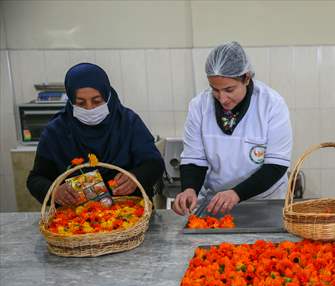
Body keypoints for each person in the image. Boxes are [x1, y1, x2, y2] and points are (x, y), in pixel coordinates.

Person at [172, 41, 292, 216]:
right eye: (215, 89)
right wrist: (190, 189)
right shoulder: (199, 106)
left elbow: (276, 165)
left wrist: (237, 193)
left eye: (229, 89)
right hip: (215, 202)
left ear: (247, 78)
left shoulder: (271, 104)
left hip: (265, 202)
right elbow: (194, 158)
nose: (222, 98)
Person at [27, 63, 164, 206]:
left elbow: (154, 164)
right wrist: (55, 191)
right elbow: (36, 179)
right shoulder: (56, 131)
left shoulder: (128, 123)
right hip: (76, 220)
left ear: (107, 96)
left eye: (97, 101)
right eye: (80, 103)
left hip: (131, 213)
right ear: (71, 101)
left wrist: (136, 178)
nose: (89, 108)